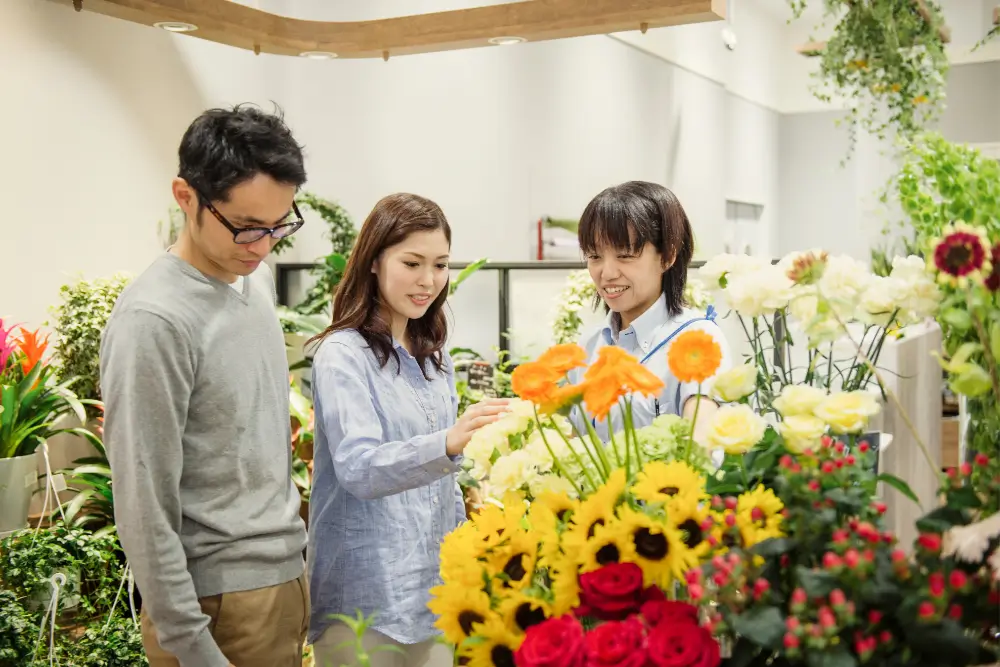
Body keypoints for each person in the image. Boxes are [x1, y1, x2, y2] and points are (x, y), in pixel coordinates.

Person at [100, 105, 310, 667]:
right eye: (245, 225)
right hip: (213, 607)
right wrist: (191, 645)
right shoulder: (154, 320)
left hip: (281, 576)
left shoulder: (253, 278)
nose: (262, 245)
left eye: (278, 226)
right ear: (185, 196)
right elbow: (143, 508)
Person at [306, 193, 509, 667]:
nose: (428, 281)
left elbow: (444, 488)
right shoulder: (343, 354)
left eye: (440, 265)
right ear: (374, 261)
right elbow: (358, 469)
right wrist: (447, 442)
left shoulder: (435, 357)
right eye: (412, 262)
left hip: (432, 593)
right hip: (363, 596)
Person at [569, 180, 731, 444]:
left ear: (667, 256)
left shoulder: (698, 340)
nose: (606, 273)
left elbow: (703, 445)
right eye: (594, 256)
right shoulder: (589, 344)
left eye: (625, 255)